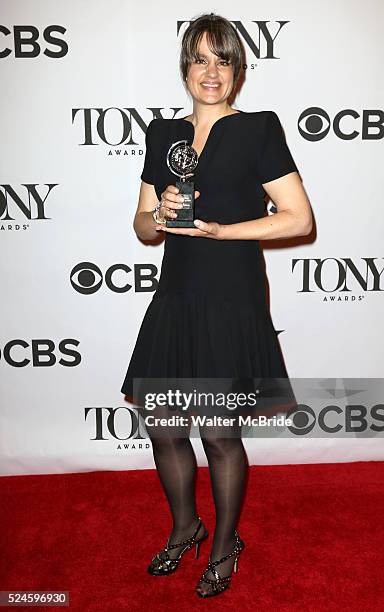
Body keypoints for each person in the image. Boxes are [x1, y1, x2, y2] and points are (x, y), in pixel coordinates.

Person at [121, 13, 312, 598]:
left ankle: (226, 543)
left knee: (219, 433)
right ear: (185, 68)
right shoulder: (162, 136)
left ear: (238, 70)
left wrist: (220, 231)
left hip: (231, 298)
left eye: (222, 59)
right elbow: (143, 228)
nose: (211, 71)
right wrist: (160, 214)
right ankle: (186, 529)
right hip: (175, 298)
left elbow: (298, 218)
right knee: (164, 426)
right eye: (200, 59)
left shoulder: (257, 129)